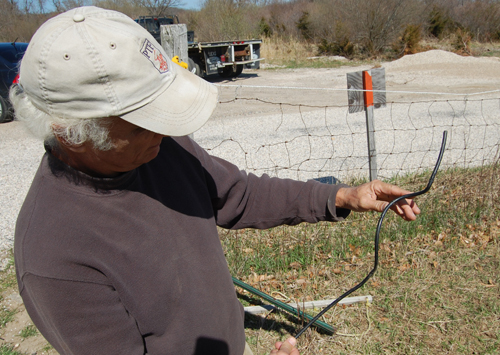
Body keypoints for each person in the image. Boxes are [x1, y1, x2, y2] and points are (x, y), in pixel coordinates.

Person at [10, 6, 420, 355]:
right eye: (141, 124)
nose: (164, 132)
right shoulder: (54, 254)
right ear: (70, 131)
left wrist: (343, 196)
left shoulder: (159, 147)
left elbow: (239, 194)